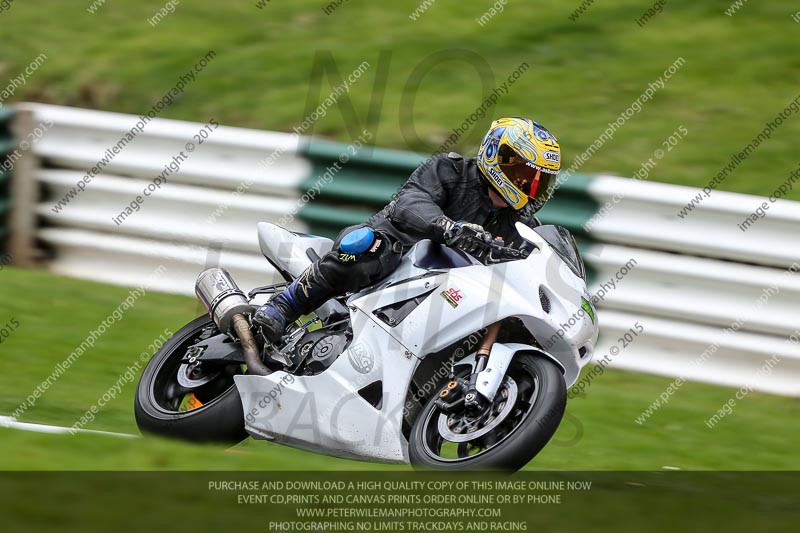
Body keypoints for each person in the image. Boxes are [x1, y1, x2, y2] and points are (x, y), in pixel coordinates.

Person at [253, 117, 562, 342]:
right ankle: (282, 307)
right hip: (391, 255)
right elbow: (410, 202)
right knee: (366, 247)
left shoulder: (522, 228)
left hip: (446, 295)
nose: (530, 187)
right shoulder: (450, 170)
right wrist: (449, 228)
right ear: (498, 156)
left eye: (539, 181)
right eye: (525, 175)